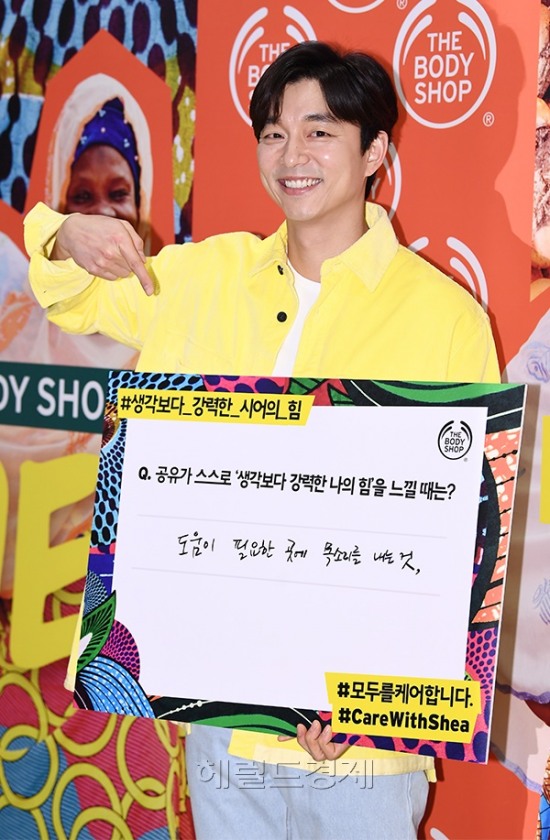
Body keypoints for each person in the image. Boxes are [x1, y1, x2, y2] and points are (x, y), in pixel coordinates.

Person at [25, 41, 499, 840]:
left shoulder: (446, 318)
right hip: (222, 717)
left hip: (361, 748)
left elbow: (465, 543)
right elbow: (74, 299)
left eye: (319, 132)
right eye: (274, 133)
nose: (291, 155)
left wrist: (378, 709)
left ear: (375, 151)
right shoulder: (201, 279)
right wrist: (63, 234)